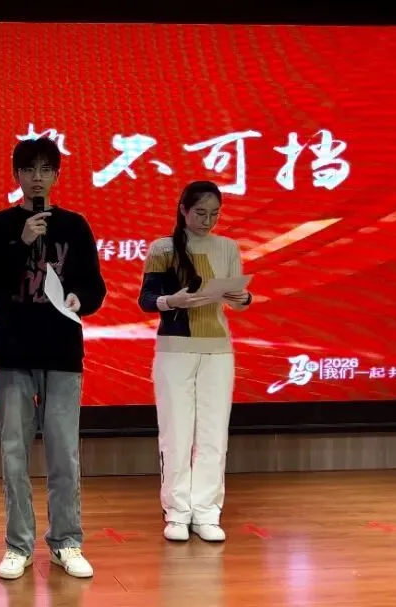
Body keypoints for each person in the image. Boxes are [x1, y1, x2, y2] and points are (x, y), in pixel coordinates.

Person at [0, 137, 106, 580]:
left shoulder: (74, 226)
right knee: (14, 454)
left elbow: (95, 287)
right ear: (16, 175)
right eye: (29, 170)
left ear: (56, 175)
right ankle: (18, 545)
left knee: (64, 454)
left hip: (62, 352)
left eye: (45, 169)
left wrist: (79, 298)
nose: (37, 178)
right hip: (13, 353)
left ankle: (67, 541)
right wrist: (21, 242)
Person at [137, 180, 253, 543]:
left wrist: (242, 297)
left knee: (213, 434)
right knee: (176, 433)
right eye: (200, 213)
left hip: (218, 349)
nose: (207, 221)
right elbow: (146, 299)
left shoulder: (227, 247)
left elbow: (237, 298)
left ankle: (207, 512)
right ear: (183, 210)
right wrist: (172, 301)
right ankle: (177, 511)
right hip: (175, 349)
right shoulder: (164, 248)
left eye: (214, 214)